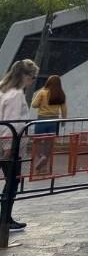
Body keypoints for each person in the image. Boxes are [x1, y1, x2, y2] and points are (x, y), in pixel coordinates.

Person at [0, 59, 38, 232]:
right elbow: (12, 122)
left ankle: (5, 218)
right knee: (13, 182)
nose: (33, 80)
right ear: (24, 76)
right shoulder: (16, 94)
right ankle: (5, 219)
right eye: (32, 76)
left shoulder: (3, 89)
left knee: (10, 181)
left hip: (3, 140)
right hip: (10, 143)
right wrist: (9, 147)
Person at [30, 74, 68, 173]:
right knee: (49, 143)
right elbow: (64, 110)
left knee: (37, 141)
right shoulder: (61, 94)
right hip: (54, 121)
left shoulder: (42, 92)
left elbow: (34, 105)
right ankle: (44, 166)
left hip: (42, 120)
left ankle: (41, 157)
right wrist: (63, 121)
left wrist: (41, 104)